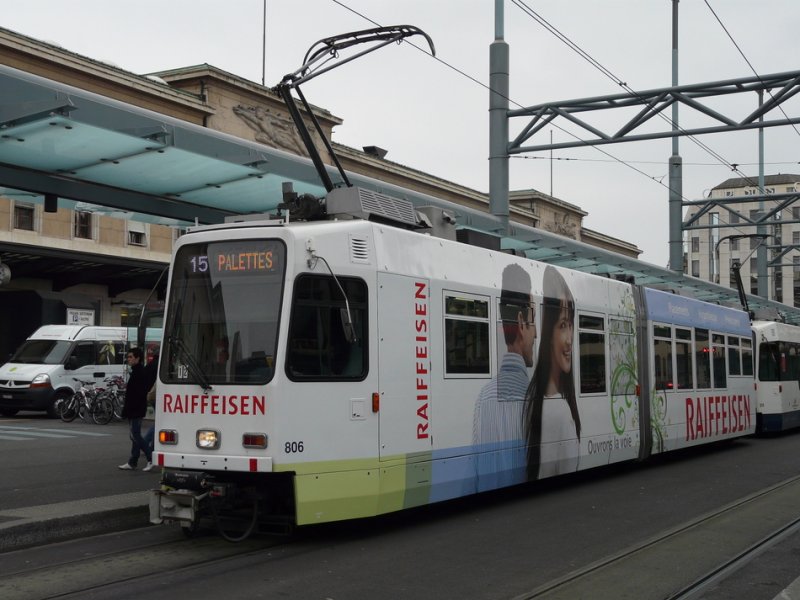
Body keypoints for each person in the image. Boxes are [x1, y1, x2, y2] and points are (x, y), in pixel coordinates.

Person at [472, 263, 537, 489]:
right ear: (521, 322)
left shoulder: (483, 398)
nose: (536, 332)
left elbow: (479, 473)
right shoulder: (532, 396)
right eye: (533, 318)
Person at [524, 265, 581, 480]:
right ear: (548, 332)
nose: (570, 339)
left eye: (571, 324)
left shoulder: (533, 401)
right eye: (562, 324)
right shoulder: (561, 412)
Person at [118, 347, 157, 472]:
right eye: (128, 357)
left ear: (137, 358)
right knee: (134, 436)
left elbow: (138, 394)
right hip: (135, 408)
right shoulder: (136, 371)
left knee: (136, 435)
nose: (128, 359)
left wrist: (129, 409)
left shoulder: (139, 373)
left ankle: (150, 459)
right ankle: (133, 461)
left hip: (136, 409)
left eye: (130, 357)